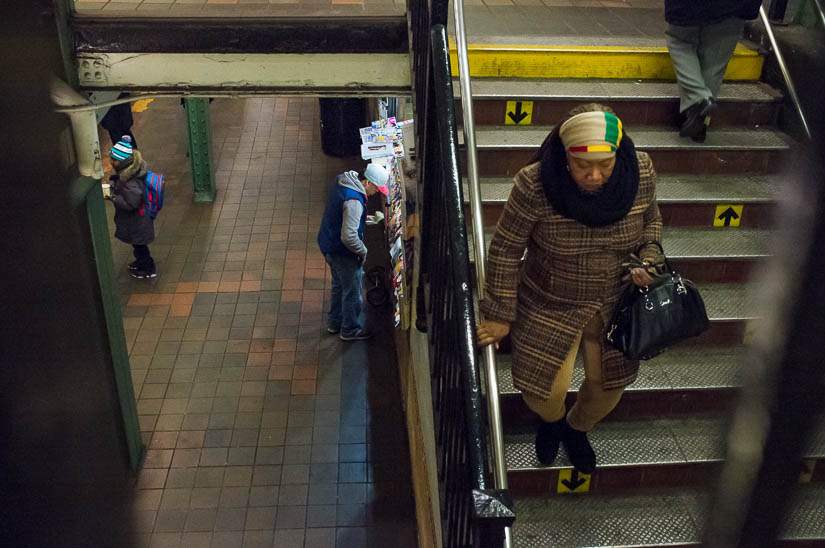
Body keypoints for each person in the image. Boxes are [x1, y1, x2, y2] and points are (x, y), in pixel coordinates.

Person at [476, 104, 663, 473]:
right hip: (549, 301)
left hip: (615, 302)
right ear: (565, 158)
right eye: (582, 167)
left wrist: (651, 258)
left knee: (608, 391)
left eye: (604, 166)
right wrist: (498, 315)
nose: (594, 176)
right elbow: (506, 249)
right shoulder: (534, 184)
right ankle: (553, 422)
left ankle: (577, 428)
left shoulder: (639, 171)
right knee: (542, 393)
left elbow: (652, 222)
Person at [665, 0, 762, 142]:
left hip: (690, 5)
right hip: (737, 5)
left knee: (679, 41)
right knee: (715, 59)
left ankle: (698, 98)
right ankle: (700, 125)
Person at [317, 163, 389, 341]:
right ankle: (350, 329)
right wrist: (363, 252)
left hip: (328, 243)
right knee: (352, 291)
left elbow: (345, 215)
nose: (377, 193)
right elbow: (348, 236)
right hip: (342, 252)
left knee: (338, 285)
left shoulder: (344, 180)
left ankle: (334, 322)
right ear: (366, 182)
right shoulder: (354, 200)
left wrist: (367, 218)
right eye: (376, 188)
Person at [104, 135, 156, 279]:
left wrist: (113, 197)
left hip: (138, 222)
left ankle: (147, 268)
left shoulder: (130, 181)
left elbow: (131, 203)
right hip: (138, 220)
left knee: (140, 246)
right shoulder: (131, 174)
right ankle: (141, 262)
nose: (111, 162)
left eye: (114, 160)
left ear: (122, 162)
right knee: (137, 245)